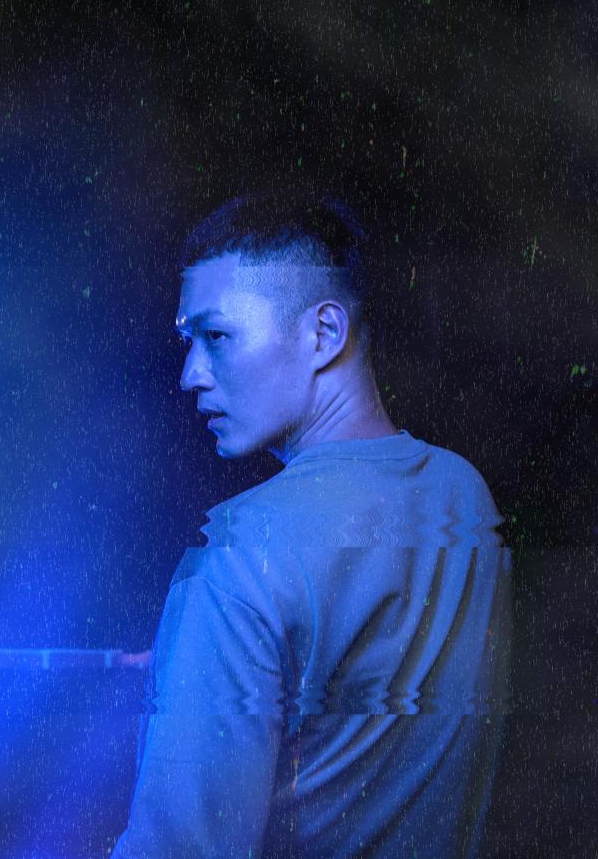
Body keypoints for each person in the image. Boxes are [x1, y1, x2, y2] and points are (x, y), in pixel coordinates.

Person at [111, 185, 512, 859]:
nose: (190, 375)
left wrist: (212, 652)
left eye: (216, 336)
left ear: (324, 333)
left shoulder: (240, 553)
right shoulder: (464, 494)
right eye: (188, 341)